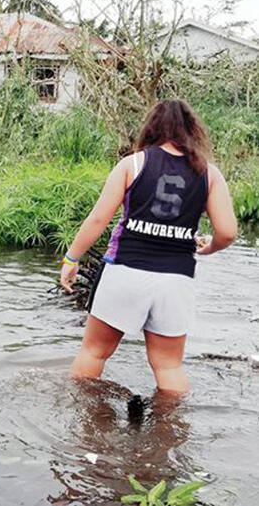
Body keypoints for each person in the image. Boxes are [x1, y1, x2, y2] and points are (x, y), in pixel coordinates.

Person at [60, 99, 238, 394]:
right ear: (193, 131)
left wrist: (71, 258)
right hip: (175, 279)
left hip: (125, 270)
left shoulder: (133, 164)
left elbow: (98, 220)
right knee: (169, 367)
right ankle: (168, 434)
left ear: (151, 128)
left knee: (93, 353)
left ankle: (85, 433)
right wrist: (210, 247)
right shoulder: (208, 173)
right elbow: (228, 232)